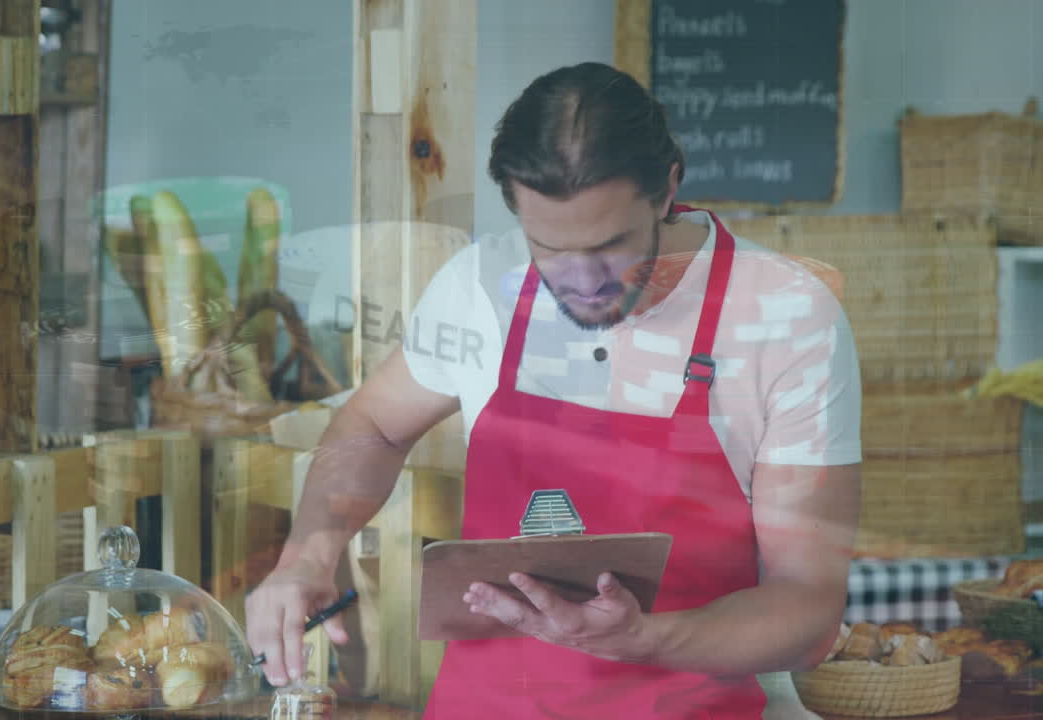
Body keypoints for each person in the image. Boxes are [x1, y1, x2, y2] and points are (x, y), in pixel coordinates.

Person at [246, 62, 862, 719]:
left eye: (611, 245)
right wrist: (306, 557)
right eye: (548, 248)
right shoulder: (479, 285)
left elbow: (807, 608)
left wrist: (643, 638)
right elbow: (373, 426)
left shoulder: (785, 315)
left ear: (668, 189)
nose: (584, 281)